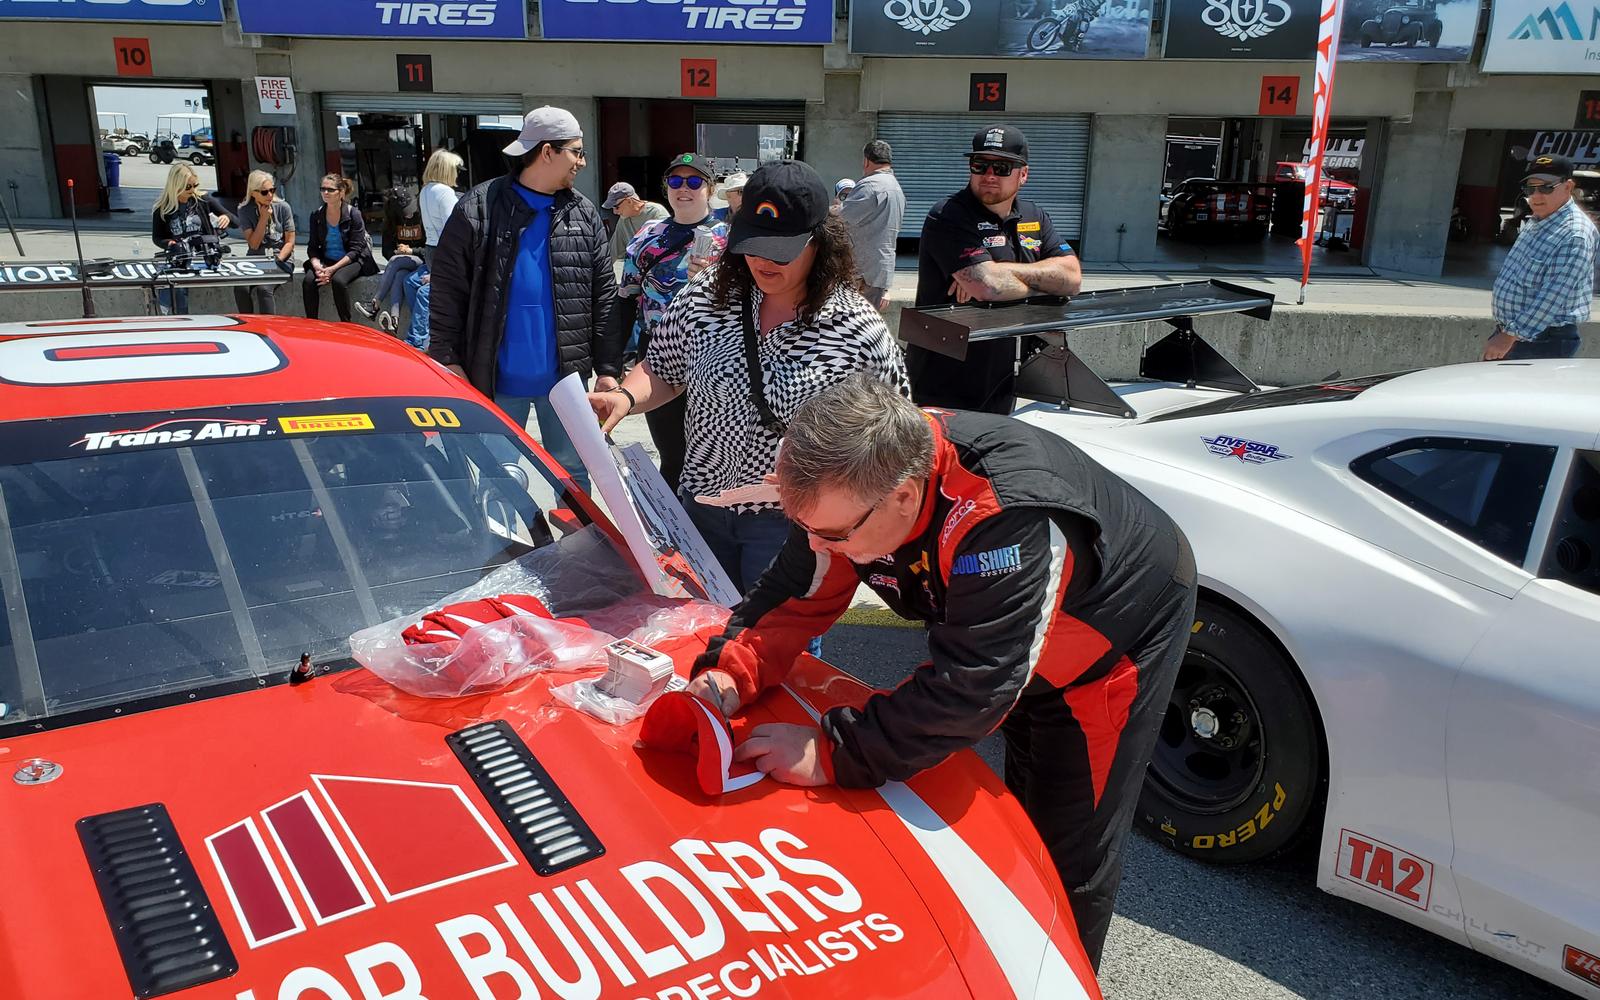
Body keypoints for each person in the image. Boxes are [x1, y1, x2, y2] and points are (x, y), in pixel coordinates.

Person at [686, 374, 1195, 971]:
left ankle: (1055, 976)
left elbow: (976, 685)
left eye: (831, 534)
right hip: (1005, 627)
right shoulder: (858, 481)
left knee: (1067, 845)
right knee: (1011, 806)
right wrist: (729, 669)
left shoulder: (1005, 515)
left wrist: (836, 751)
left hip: (1114, 634)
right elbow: (797, 591)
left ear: (904, 496)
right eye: (806, 529)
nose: (817, 545)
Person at [587, 161, 907, 594]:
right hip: (700, 508)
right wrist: (624, 398)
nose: (761, 261)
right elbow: (664, 366)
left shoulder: (856, 330)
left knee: (776, 645)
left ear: (820, 242)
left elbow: (895, 440)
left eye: (781, 250)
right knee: (703, 634)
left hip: (792, 525)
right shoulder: (709, 295)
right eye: (752, 245)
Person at [429, 106, 616, 494]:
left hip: (565, 382)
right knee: (499, 480)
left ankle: (578, 551)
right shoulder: (477, 209)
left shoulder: (583, 213)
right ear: (547, 151)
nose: (581, 162)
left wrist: (608, 367)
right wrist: (448, 358)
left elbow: (603, 296)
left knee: (575, 477)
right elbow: (447, 292)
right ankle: (508, 552)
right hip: (494, 380)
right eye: (576, 152)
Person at [911, 124, 1082, 413]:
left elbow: (1072, 278)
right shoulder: (948, 215)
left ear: (1023, 174)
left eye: (1002, 167)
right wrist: (1039, 282)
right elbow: (988, 285)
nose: (989, 175)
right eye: (980, 165)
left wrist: (1001, 277)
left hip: (1004, 372)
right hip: (944, 377)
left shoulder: (1035, 216)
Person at [610, 153, 729, 493]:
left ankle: (708, 523)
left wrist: (715, 280)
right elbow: (626, 299)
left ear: (710, 188)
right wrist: (612, 361)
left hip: (714, 352)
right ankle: (673, 532)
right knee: (672, 451)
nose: (684, 189)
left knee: (712, 449)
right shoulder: (648, 235)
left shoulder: (731, 240)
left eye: (694, 182)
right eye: (676, 182)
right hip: (657, 354)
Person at [1485, 153, 1598, 361]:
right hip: (1518, 335)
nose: (1535, 196)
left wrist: (1509, 336)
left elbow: (1553, 295)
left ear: (1568, 187)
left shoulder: (1575, 234)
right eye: (1530, 189)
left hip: (1542, 340)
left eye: (1546, 187)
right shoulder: (1539, 220)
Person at [404, 149, 464, 351]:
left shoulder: (426, 190)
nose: (457, 172)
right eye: (455, 168)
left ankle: (424, 332)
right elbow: (453, 229)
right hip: (444, 249)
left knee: (412, 283)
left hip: (431, 248)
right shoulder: (445, 192)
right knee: (428, 290)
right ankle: (418, 341)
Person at [839, 139, 906, 311]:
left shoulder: (871, 185)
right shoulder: (896, 188)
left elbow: (842, 218)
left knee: (850, 325)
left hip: (861, 272)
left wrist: (831, 210)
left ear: (866, 161)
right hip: (878, 271)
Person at [302, 173, 377, 322]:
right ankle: (312, 324)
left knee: (338, 281)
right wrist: (318, 267)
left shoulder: (354, 214)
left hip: (352, 260)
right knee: (309, 281)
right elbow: (312, 247)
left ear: (341, 192)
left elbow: (356, 250)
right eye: (323, 189)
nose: (325, 193)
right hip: (326, 260)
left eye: (330, 190)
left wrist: (331, 270)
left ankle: (346, 324)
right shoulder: (316, 215)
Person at [150, 162, 220, 315]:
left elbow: (234, 220)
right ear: (176, 185)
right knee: (176, 289)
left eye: (195, 185)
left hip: (204, 257)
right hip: (181, 258)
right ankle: (177, 321)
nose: (192, 190)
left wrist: (225, 218)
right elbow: (157, 238)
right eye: (188, 187)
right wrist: (169, 243)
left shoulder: (203, 200)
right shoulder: (162, 208)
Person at [357, 185, 426, 333]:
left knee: (396, 261)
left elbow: (431, 249)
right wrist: (397, 251)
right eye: (404, 212)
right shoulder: (391, 223)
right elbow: (386, 251)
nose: (409, 214)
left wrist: (411, 251)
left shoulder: (423, 217)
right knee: (399, 275)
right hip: (403, 263)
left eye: (411, 208)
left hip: (422, 260)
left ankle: (374, 305)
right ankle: (394, 321)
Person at [232, 170, 295, 314]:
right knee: (240, 287)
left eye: (272, 190)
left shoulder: (283, 207)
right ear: (253, 193)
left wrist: (277, 260)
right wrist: (263, 219)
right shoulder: (244, 210)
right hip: (256, 257)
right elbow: (253, 244)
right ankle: (248, 324)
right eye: (264, 192)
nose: (270, 195)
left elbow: (290, 241)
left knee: (264, 289)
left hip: (281, 257)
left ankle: (268, 328)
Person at [604, 182, 670, 264]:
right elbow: (613, 250)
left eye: (616, 207)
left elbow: (667, 246)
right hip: (636, 269)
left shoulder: (656, 212)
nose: (615, 212)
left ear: (629, 201)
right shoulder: (624, 220)